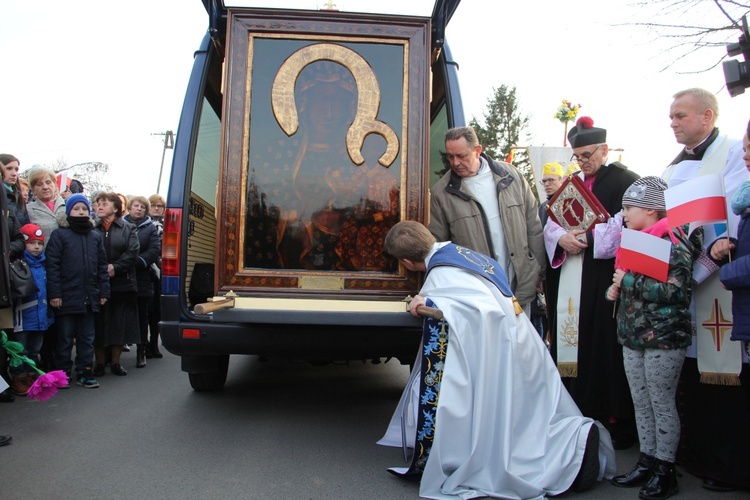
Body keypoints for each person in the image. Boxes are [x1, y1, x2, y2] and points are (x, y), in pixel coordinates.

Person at [378, 221, 615, 499]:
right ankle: (572, 438)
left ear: (406, 261)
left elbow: (461, 312)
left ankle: (568, 452)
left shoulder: (443, 274)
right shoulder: (466, 254)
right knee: (529, 411)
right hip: (523, 338)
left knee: (505, 418)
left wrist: (424, 305)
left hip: (499, 351)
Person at [662, 89, 750, 492]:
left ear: (707, 116)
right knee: (694, 375)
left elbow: (734, 207)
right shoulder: (673, 166)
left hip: (723, 276)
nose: (673, 122)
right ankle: (696, 457)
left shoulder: (733, 152)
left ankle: (729, 464)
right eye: (672, 116)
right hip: (691, 282)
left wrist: (712, 254)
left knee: (726, 378)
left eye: (680, 115)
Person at [543, 116, 640, 449]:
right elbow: (551, 223)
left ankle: (615, 419)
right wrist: (561, 238)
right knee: (577, 344)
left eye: (587, 154)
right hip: (573, 275)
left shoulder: (626, 181)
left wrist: (587, 236)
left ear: (604, 149)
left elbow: (630, 227)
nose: (583, 161)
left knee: (605, 347)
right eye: (578, 156)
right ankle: (578, 410)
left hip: (606, 281)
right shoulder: (573, 186)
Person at [605, 177, 702, 499]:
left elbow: (677, 292)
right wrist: (618, 288)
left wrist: (629, 282)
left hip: (663, 337)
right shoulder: (634, 240)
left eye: (628, 208)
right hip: (634, 334)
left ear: (651, 209)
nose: (624, 214)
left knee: (661, 404)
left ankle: (665, 470)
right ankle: (646, 461)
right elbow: (630, 287)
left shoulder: (673, 240)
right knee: (641, 402)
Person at [429, 126, 544, 311]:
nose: (455, 162)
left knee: (521, 339)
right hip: (477, 293)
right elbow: (440, 246)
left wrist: (540, 271)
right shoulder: (441, 194)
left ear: (478, 150)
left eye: (461, 155)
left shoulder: (511, 176)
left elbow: (534, 226)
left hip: (520, 284)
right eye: (450, 157)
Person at [46, 194, 109, 388]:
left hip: (89, 297)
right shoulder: (60, 235)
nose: (80, 212)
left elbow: (101, 265)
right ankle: (62, 373)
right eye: (76, 209)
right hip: (66, 296)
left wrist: (104, 292)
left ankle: (85, 372)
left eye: (83, 209)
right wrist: (55, 294)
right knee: (64, 338)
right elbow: (53, 266)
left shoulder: (95, 236)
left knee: (87, 338)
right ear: (68, 212)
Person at [93, 192, 140, 376]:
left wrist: (116, 267)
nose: (100, 207)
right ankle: (99, 363)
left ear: (115, 208)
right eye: (98, 204)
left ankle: (115, 362)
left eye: (104, 203)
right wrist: (100, 269)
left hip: (122, 282)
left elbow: (133, 251)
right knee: (99, 323)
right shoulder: (93, 228)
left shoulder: (128, 228)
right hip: (97, 282)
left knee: (119, 323)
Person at [8, 224, 55, 396]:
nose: (36, 247)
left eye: (39, 243)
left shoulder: (44, 265)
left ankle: (31, 376)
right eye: (32, 243)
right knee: (20, 349)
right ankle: (18, 377)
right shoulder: (18, 265)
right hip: (23, 316)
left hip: (40, 316)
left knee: (35, 349)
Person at [123, 196, 161, 368]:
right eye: (135, 206)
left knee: (143, 315)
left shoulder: (151, 228)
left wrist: (138, 261)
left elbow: (154, 249)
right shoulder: (120, 225)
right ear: (129, 208)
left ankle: (142, 351)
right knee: (121, 314)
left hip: (143, 276)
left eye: (142, 207)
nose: (139, 209)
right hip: (122, 275)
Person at [26, 167, 66, 247]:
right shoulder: (28, 210)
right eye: (39, 184)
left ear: (55, 184)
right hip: (42, 257)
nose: (45, 187)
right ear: (33, 189)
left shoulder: (68, 206)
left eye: (48, 182)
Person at [146, 194, 165, 358]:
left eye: (160, 205)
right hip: (146, 269)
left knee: (157, 311)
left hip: (163, 271)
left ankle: (154, 343)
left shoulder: (168, 225)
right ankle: (144, 346)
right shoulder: (144, 224)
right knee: (146, 310)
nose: (157, 208)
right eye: (153, 205)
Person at [0, 154, 30, 226]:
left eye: (16, 169)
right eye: (9, 168)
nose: (14, 174)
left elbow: (25, 223)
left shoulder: (18, 197)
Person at [539, 161, 565, 227]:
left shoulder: (570, 202)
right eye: (544, 181)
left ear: (560, 180)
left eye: (551, 180)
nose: (546, 184)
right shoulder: (543, 207)